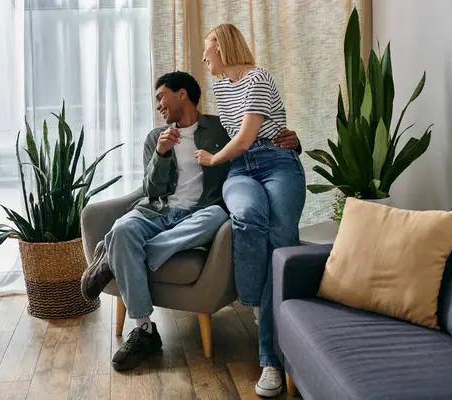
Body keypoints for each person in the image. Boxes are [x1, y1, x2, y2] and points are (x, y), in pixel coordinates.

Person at [80, 71, 301, 371]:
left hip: (201, 213)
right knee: (122, 229)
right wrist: (160, 154)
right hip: (157, 212)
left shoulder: (220, 128)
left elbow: (251, 143)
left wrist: (292, 142)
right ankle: (145, 329)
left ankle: (115, 256)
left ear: (181, 94)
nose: (158, 105)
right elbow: (150, 191)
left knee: (218, 215)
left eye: (161, 96)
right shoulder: (154, 138)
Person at [197, 24, 306, 397]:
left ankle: (270, 361)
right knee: (246, 216)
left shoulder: (258, 77)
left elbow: (244, 138)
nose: (204, 57)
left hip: (277, 163)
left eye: (207, 49)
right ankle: (259, 302)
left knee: (282, 240)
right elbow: (237, 144)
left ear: (222, 47)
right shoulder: (219, 87)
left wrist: (212, 159)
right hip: (242, 172)